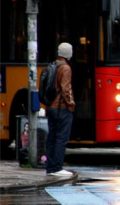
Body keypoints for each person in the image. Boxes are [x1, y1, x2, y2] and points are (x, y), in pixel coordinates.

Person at [45, 42, 76, 177]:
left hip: (51, 107)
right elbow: (65, 88)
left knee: (52, 136)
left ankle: (50, 167)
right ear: (68, 53)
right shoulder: (65, 68)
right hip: (61, 107)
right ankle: (57, 167)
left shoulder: (52, 65)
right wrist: (71, 103)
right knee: (61, 138)